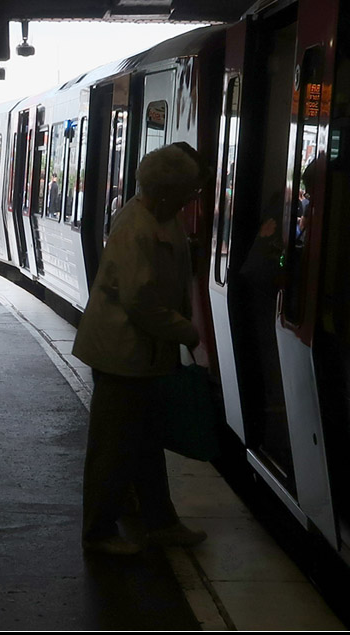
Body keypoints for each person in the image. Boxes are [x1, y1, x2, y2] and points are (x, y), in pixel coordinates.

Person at [72, 142, 211, 556]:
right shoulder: (137, 229)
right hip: (122, 354)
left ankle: (161, 522)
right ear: (167, 192)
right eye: (188, 192)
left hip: (142, 355)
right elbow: (140, 301)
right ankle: (99, 532)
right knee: (111, 448)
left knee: (147, 442)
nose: (191, 199)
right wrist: (185, 331)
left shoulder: (159, 217)